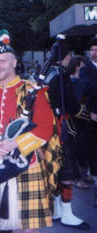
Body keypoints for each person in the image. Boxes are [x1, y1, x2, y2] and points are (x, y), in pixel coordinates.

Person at [0, 29, 58, 233]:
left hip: (27, 164)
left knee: (27, 230)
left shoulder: (32, 91)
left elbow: (46, 128)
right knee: (3, 228)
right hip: (0, 164)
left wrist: (15, 144)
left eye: (3, 61)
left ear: (14, 62)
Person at [45, 41, 90, 229]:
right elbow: (71, 105)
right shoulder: (61, 76)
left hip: (49, 128)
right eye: (69, 55)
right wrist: (87, 112)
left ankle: (56, 210)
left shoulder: (48, 74)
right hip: (62, 128)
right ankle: (67, 213)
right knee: (66, 175)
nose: (70, 58)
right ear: (64, 56)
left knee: (55, 171)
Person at [67, 55, 91, 189]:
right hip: (76, 120)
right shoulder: (74, 82)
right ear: (77, 66)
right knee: (79, 148)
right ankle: (77, 178)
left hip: (81, 119)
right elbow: (76, 103)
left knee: (84, 148)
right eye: (83, 65)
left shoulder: (78, 81)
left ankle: (82, 175)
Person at [80, 36, 97, 206]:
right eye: (92, 49)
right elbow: (86, 88)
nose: (94, 53)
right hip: (94, 118)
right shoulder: (86, 70)